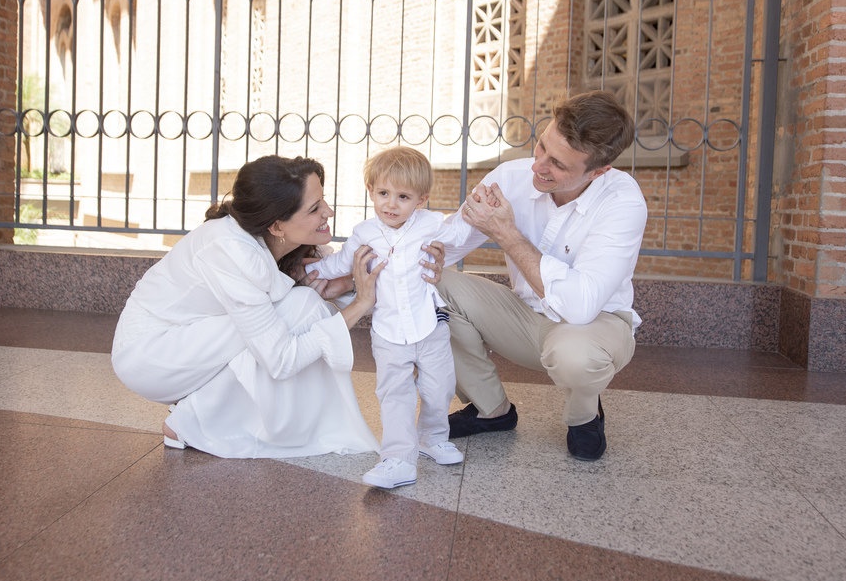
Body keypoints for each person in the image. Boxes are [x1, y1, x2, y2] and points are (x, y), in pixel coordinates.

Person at [110, 155, 390, 459]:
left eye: (323, 200)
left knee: (297, 306)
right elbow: (281, 360)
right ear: (277, 225)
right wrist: (359, 304)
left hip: (195, 339)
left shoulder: (296, 243)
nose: (328, 212)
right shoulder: (231, 250)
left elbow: (385, 298)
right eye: (314, 208)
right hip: (151, 355)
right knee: (300, 306)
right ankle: (191, 421)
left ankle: (202, 412)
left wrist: (345, 286)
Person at [439, 90, 647, 461]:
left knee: (576, 355)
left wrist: (508, 234)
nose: (538, 167)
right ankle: (490, 410)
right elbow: (449, 244)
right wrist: (362, 265)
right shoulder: (512, 176)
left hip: (594, 326)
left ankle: (584, 418)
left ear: (599, 171)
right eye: (541, 148)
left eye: (559, 165)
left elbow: (580, 308)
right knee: (430, 281)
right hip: (523, 316)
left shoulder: (623, 202)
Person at [305, 147, 473, 489]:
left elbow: (458, 233)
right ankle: (397, 457)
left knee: (439, 388)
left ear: (421, 200)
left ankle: (432, 437)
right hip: (388, 332)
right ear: (371, 192)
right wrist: (308, 270)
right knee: (394, 394)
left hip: (429, 326)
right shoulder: (364, 233)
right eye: (383, 193)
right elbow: (341, 264)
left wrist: (475, 212)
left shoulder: (430, 224)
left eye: (403, 197)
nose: (391, 205)